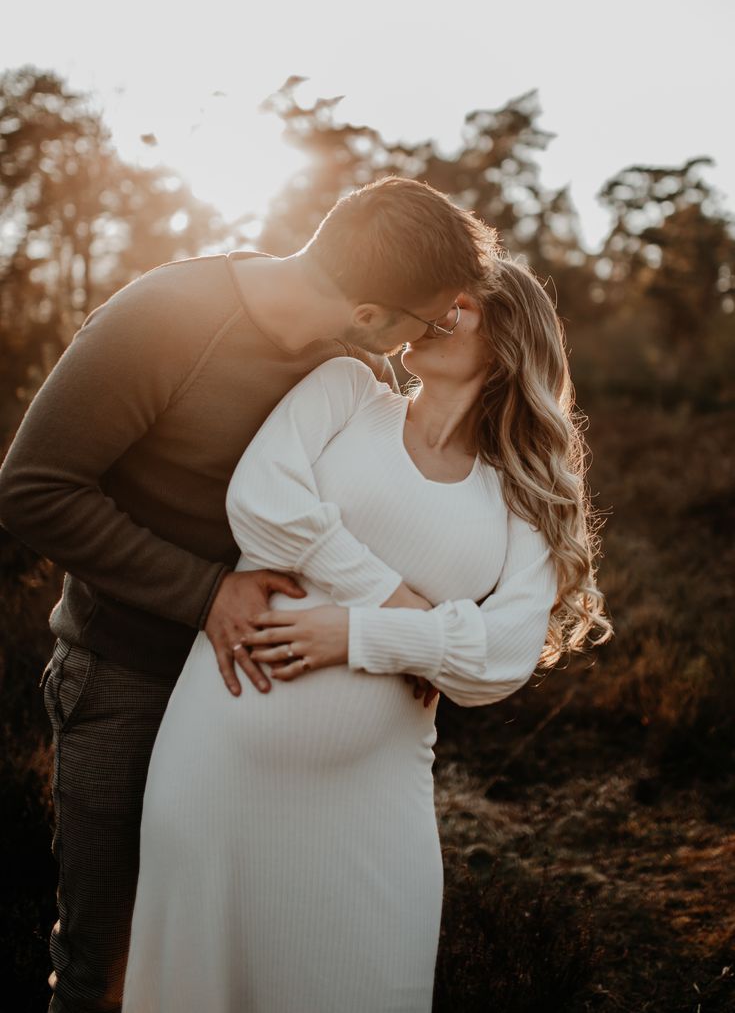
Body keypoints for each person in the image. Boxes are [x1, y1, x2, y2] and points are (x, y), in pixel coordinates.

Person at [0, 176, 497, 1013]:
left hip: (254, 699)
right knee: (111, 966)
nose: (433, 336)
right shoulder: (162, 318)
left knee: (225, 957)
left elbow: (355, 510)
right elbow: (34, 487)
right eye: (427, 318)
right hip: (128, 677)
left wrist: (400, 628)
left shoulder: (354, 361)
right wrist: (206, 593)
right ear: (374, 311)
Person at [121, 258, 612, 1013]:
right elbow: (261, 503)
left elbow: (503, 654)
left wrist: (361, 634)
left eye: (458, 307)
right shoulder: (347, 390)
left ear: (508, 336)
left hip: (374, 803)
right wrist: (401, 606)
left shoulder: (522, 488)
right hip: (219, 767)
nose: (430, 312)